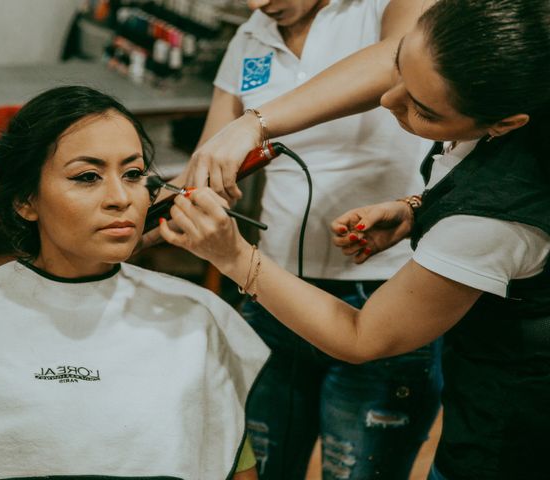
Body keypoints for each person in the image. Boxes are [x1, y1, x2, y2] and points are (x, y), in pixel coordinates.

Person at [158, 1, 550, 478]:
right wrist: (416, 209)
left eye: (423, 111)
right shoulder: (492, 137)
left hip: (499, 438)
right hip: (281, 294)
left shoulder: (492, 217)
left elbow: (363, 337)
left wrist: (233, 255)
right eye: (398, 70)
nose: (388, 100)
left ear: (505, 123)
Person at [0, 86, 267, 480]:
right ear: (26, 201)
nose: (120, 197)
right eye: (87, 177)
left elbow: (234, 466)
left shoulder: (197, 320)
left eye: (133, 174)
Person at [183, 0, 440, 478]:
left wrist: (254, 121)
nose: (257, 3)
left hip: (383, 292)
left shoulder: (383, 8)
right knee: (261, 467)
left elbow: (397, 58)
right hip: (272, 289)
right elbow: (205, 162)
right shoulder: (251, 36)